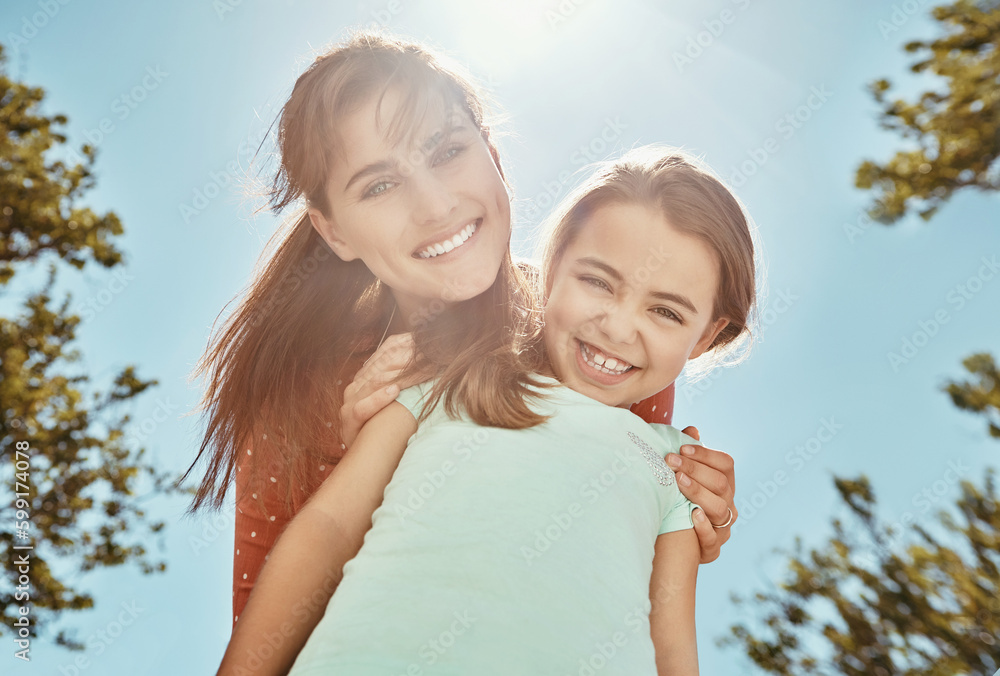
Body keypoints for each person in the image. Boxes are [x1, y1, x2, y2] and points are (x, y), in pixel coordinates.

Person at [178, 31, 739, 631]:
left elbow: (608, 572)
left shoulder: (593, 339)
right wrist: (360, 472)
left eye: (447, 151)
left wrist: (685, 516)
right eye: (380, 185)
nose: (436, 205)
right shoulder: (296, 394)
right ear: (333, 232)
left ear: (491, 153)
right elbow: (267, 633)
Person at [215, 145, 757, 675]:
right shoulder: (443, 373)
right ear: (553, 265)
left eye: (664, 311)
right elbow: (328, 528)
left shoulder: (672, 463)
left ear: (707, 336)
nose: (617, 327)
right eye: (596, 281)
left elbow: (671, 649)